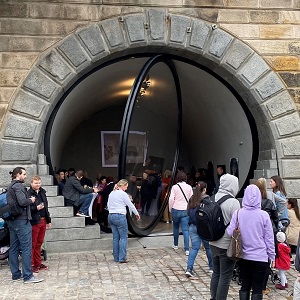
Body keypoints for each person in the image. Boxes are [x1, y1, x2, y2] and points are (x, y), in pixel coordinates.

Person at [227, 184, 275, 300]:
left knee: (245, 286)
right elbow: (269, 238)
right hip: (260, 257)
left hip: (243, 256)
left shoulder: (238, 213)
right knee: (258, 288)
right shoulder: (264, 215)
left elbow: (229, 232)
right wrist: (272, 255)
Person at [6, 167, 43, 283]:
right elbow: (22, 202)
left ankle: (16, 274)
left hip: (12, 221)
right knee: (26, 248)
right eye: (24, 174)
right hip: (22, 221)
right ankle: (28, 276)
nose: (26, 176)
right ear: (18, 175)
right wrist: (31, 200)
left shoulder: (10, 186)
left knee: (14, 248)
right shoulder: (18, 186)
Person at [210, 173, 240, 300]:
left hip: (212, 242)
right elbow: (238, 224)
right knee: (225, 276)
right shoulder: (233, 202)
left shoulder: (213, 197)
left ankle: (213, 297)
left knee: (216, 273)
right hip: (226, 244)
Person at [254, 178, 279, 295]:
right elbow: (275, 216)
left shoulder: (252, 203)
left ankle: (254, 284)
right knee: (266, 259)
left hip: (255, 232)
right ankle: (262, 286)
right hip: (267, 232)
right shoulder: (268, 202)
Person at [107, 179, 140, 263]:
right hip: (120, 216)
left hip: (111, 215)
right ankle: (122, 258)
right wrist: (136, 213)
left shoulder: (111, 193)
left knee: (115, 238)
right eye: (126, 186)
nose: (126, 188)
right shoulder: (123, 194)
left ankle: (116, 257)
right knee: (123, 237)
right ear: (123, 186)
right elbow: (130, 205)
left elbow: (108, 205)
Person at [185, 182, 213, 278]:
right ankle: (212, 267)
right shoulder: (207, 200)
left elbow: (188, 212)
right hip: (204, 227)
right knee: (208, 248)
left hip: (193, 226)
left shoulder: (192, 199)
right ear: (204, 189)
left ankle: (189, 268)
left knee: (194, 248)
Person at [27, 175, 51, 273]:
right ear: (31, 183)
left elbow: (46, 208)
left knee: (39, 243)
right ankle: (32, 264)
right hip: (34, 221)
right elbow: (27, 209)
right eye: (36, 183)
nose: (38, 185)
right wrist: (36, 208)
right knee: (33, 244)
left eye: (39, 183)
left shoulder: (42, 192)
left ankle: (38, 263)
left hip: (43, 220)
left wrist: (48, 220)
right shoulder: (28, 194)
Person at [169, 171, 193, 256]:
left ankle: (175, 245)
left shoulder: (174, 187)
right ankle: (187, 249)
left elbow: (171, 199)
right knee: (185, 230)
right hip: (185, 210)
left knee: (175, 227)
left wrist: (170, 209)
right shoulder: (189, 187)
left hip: (176, 208)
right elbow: (191, 200)